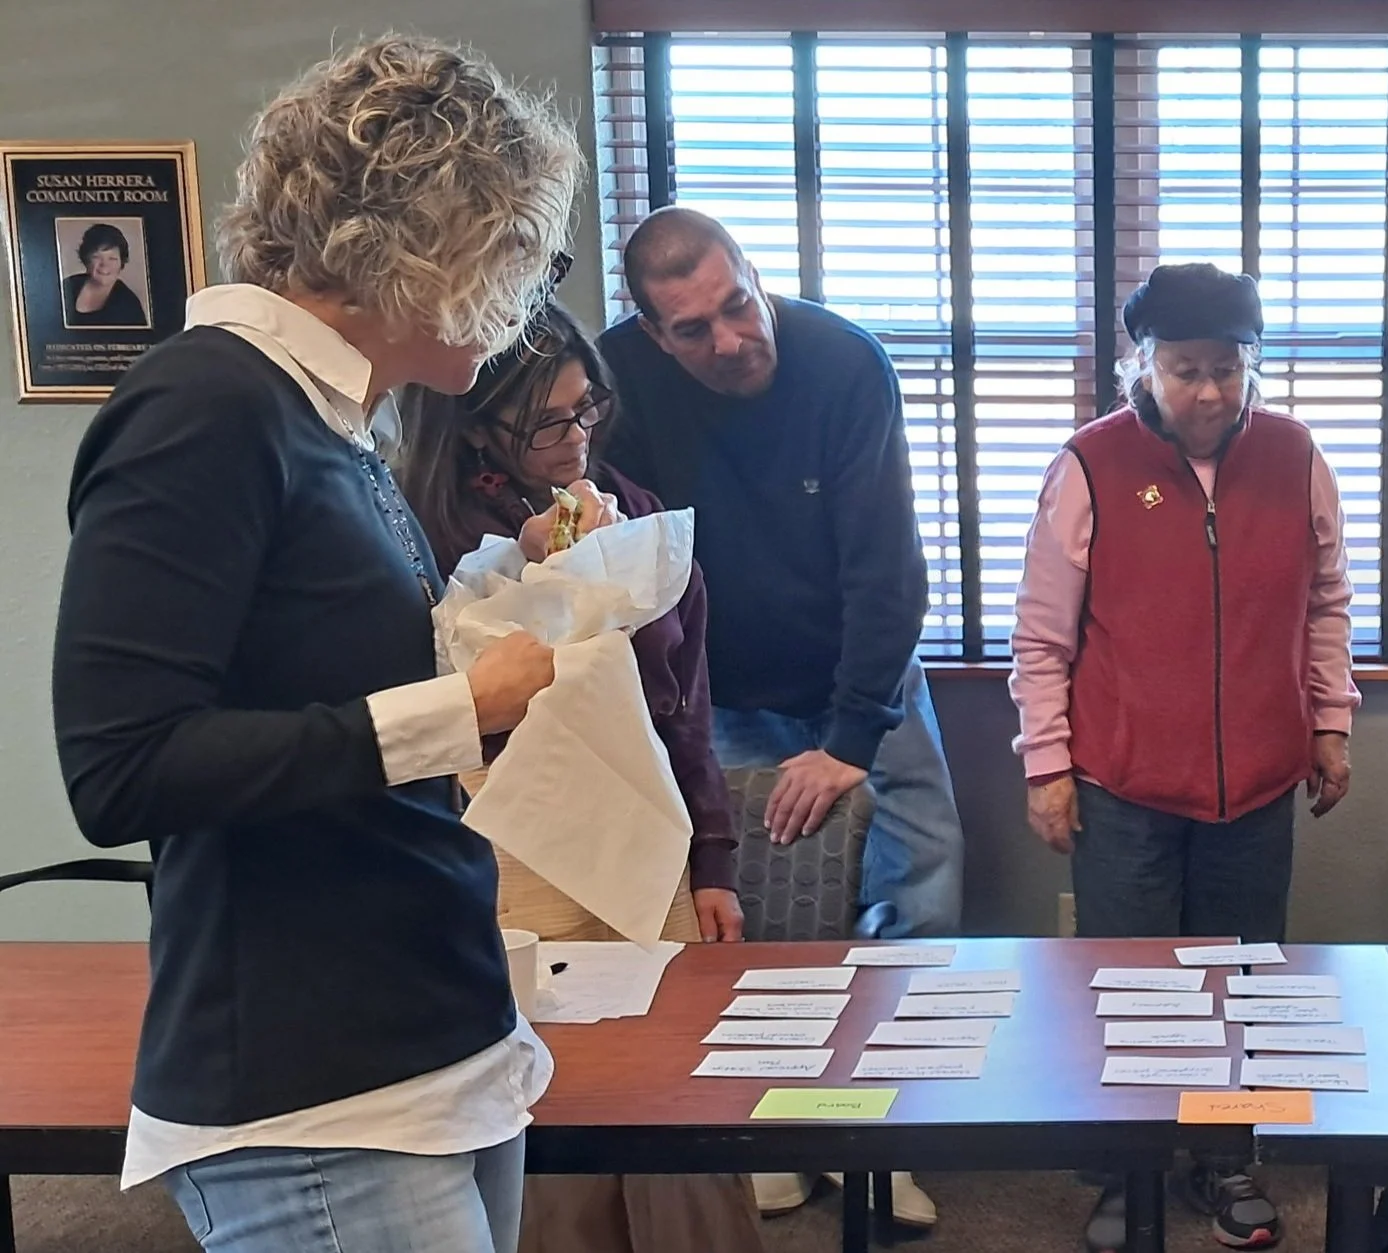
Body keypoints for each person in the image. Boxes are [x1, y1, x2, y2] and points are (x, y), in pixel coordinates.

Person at [50, 35, 579, 1253]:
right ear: (423, 244)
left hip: (428, 1035)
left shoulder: (328, 419)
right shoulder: (205, 407)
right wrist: (459, 712)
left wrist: (513, 609)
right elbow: (123, 765)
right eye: (513, 252)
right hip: (320, 1090)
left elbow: (322, 677)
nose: (520, 299)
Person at [596, 205, 952, 1227]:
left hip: (862, 676)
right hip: (719, 692)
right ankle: (775, 1129)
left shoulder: (844, 363)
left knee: (920, 898)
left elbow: (887, 563)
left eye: (738, 307)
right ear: (653, 331)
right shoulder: (616, 379)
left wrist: (848, 738)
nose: (729, 340)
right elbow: (623, 559)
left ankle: (880, 1135)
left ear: (757, 277)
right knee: (754, 922)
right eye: (694, 329)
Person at [395, 302, 764, 1253]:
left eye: (586, 406)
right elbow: (435, 714)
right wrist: (535, 577)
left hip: (644, 826)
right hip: (512, 846)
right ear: (476, 422)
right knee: (556, 1098)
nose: (576, 436)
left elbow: (683, 700)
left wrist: (713, 858)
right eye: (547, 421)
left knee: (675, 1083)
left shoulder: (629, 507)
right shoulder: (427, 527)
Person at [1010, 262, 1359, 1253]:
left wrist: (1329, 720)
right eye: (1184, 369)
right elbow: (1042, 636)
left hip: (1256, 785)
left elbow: (1326, 602)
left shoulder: (1295, 456)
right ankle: (1127, 1168)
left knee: (1240, 983)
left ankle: (1226, 1157)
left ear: (1252, 364)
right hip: (1122, 785)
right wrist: (1047, 765)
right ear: (1144, 364)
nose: (1207, 391)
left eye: (1225, 368)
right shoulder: (1089, 464)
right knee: (1131, 987)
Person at [62, 221, 149, 328]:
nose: (104, 265)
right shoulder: (66, 286)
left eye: (112, 258)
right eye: (96, 257)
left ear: (121, 263)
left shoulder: (130, 305)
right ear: (86, 260)